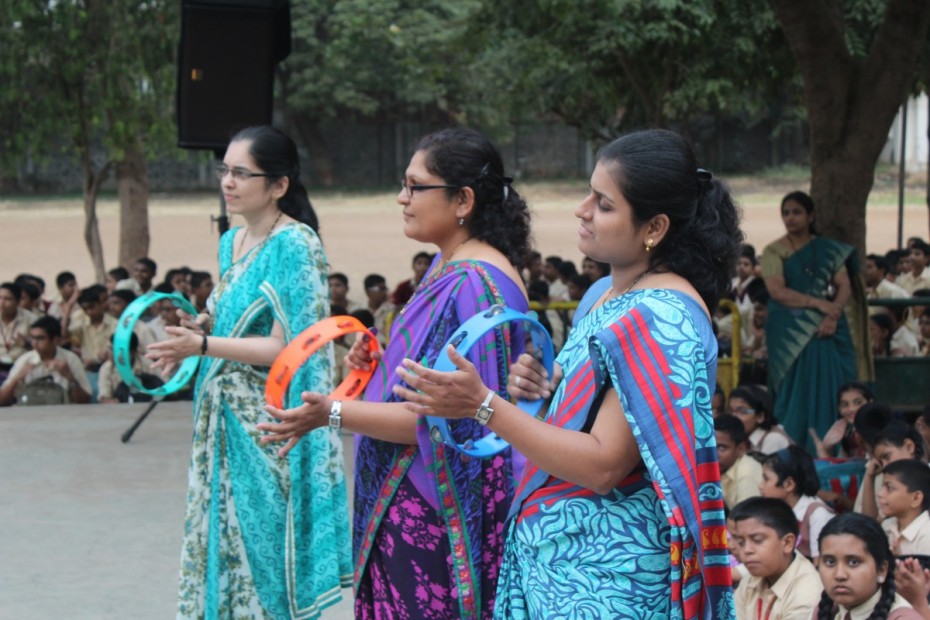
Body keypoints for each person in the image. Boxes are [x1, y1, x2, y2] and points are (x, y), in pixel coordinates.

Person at [391, 129, 739, 617]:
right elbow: (582, 419)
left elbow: (602, 466)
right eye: (588, 193)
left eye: (603, 203)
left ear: (654, 227)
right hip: (556, 565)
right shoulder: (604, 295)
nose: (582, 209)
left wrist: (484, 407)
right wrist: (542, 396)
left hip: (609, 581)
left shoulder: (663, 316)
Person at [259, 127, 532, 618]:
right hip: (407, 500)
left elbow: (451, 420)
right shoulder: (447, 265)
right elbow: (423, 378)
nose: (402, 198)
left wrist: (332, 413)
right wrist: (377, 364)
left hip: (434, 514)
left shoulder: (476, 283)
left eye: (415, 186)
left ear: (462, 199)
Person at [145, 125, 351, 619]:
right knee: (222, 548)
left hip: (266, 423)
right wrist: (196, 332)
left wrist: (206, 344)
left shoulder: (296, 244)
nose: (228, 182)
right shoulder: (232, 240)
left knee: (263, 558)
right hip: (220, 418)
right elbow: (229, 313)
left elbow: (289, 345)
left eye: (242, 173)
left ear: (279, 184)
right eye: (225, 170)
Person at [761, 191, 871, 452]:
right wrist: (820, 304)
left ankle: (835, 447)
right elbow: (777, 291)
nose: (790, 217)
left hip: (828, 329)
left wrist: (832, 315)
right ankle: (792, 449)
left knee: (829, 386)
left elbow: (844, 285)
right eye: (786, 212)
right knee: (792, 392)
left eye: (797, 212)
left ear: (810, 216)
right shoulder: (774, 250)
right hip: (790, 333)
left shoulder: (828, 249)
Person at [814, 512, 924, 619]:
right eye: (830, 562)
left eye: (853, 562)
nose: (839, 575)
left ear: (882, 569)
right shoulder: (825, 610)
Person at [730, 497, 823, 620]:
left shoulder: (807, 592)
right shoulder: (751, 579)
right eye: (741, 542)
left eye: (757, 540)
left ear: (787, 543)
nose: (746, 550)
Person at [760, 446, 835, 560]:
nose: (760, 486)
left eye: (766, 479)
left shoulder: (818, 515)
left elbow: (819, 564)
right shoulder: (779, 510)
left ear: (789, 484)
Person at [0, 315, 91, 406]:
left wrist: (70, 377)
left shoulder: (71, 359)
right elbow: (1, 400)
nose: (34, 343)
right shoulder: (25, 360)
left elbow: (85, 400)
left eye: (40, 338)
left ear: (55, 340)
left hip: (62, 414)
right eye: (32, 338)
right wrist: (17, 378)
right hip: (28, 413)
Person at [878, 459, 930, 556]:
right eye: (882, 487)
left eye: (889, 488)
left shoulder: (926, 536)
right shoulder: (887, 526)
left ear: (916, 498)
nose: (880, 493)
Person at [809, 381, 873, 459]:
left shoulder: (882, 432)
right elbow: (842, 469)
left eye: (858, 402)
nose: (851, 409)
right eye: (845, 405)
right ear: (839, 409)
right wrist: (826, 449)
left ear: (870, 403)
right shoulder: (849, 435)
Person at [728, 384, 792, 454]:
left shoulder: (773, 439)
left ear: (760, 416)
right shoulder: (742, 437)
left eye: (742, 411)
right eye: (731, 411)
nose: (733, 417)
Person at [716, 414, 763, 510]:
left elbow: (747, 520)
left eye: (721, 448)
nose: (713, 454)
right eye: (710, 447)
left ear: (741, 449)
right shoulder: (723, 467)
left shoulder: (747, 474)